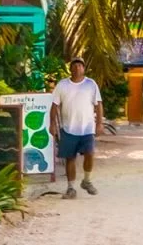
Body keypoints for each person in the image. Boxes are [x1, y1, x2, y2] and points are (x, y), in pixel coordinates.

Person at [51, 57, 102, 199]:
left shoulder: (91, 84)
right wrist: (52, 124)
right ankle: (71, 188)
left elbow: (98, 105)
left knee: (90, 154)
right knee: (70, 158)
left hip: (87, 128)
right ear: (70, 69)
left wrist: (99, 123)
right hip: (68, 128)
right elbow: (54, 106)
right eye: (74, 65)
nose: (77, 68)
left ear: (84, 69)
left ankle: (87, 180)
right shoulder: (62, 85)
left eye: (80, 65)